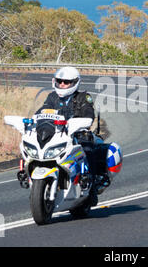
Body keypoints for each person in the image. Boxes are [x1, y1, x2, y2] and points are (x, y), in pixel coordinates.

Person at [36, 66, 107, 206]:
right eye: (59, 81)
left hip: (79, 134)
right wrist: (33, 120)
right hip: (57, 134)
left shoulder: (83, 97)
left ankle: (91, 188)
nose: (62, 84)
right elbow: (41, 112)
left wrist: (83, 121)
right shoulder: (52, 97)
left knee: (87, 151)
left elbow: (88, 114)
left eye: (66, 82)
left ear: (75, 83)